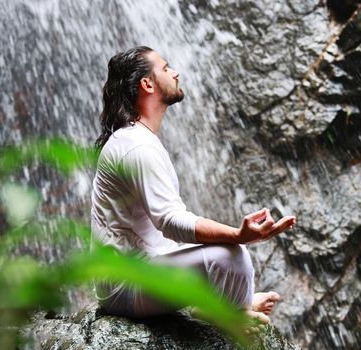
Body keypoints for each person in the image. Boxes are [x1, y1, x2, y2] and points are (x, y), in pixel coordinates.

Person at [90, 46, 296, 325]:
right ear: (147, 84)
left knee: (229, 256)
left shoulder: (139, 139)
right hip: (125, 286)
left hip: (145, 272)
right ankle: (230, 311)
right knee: (230, 256)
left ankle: (224, 306)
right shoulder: (136, 146)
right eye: (165, 68)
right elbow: (171, 221)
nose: (175, 72)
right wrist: (238, 235)